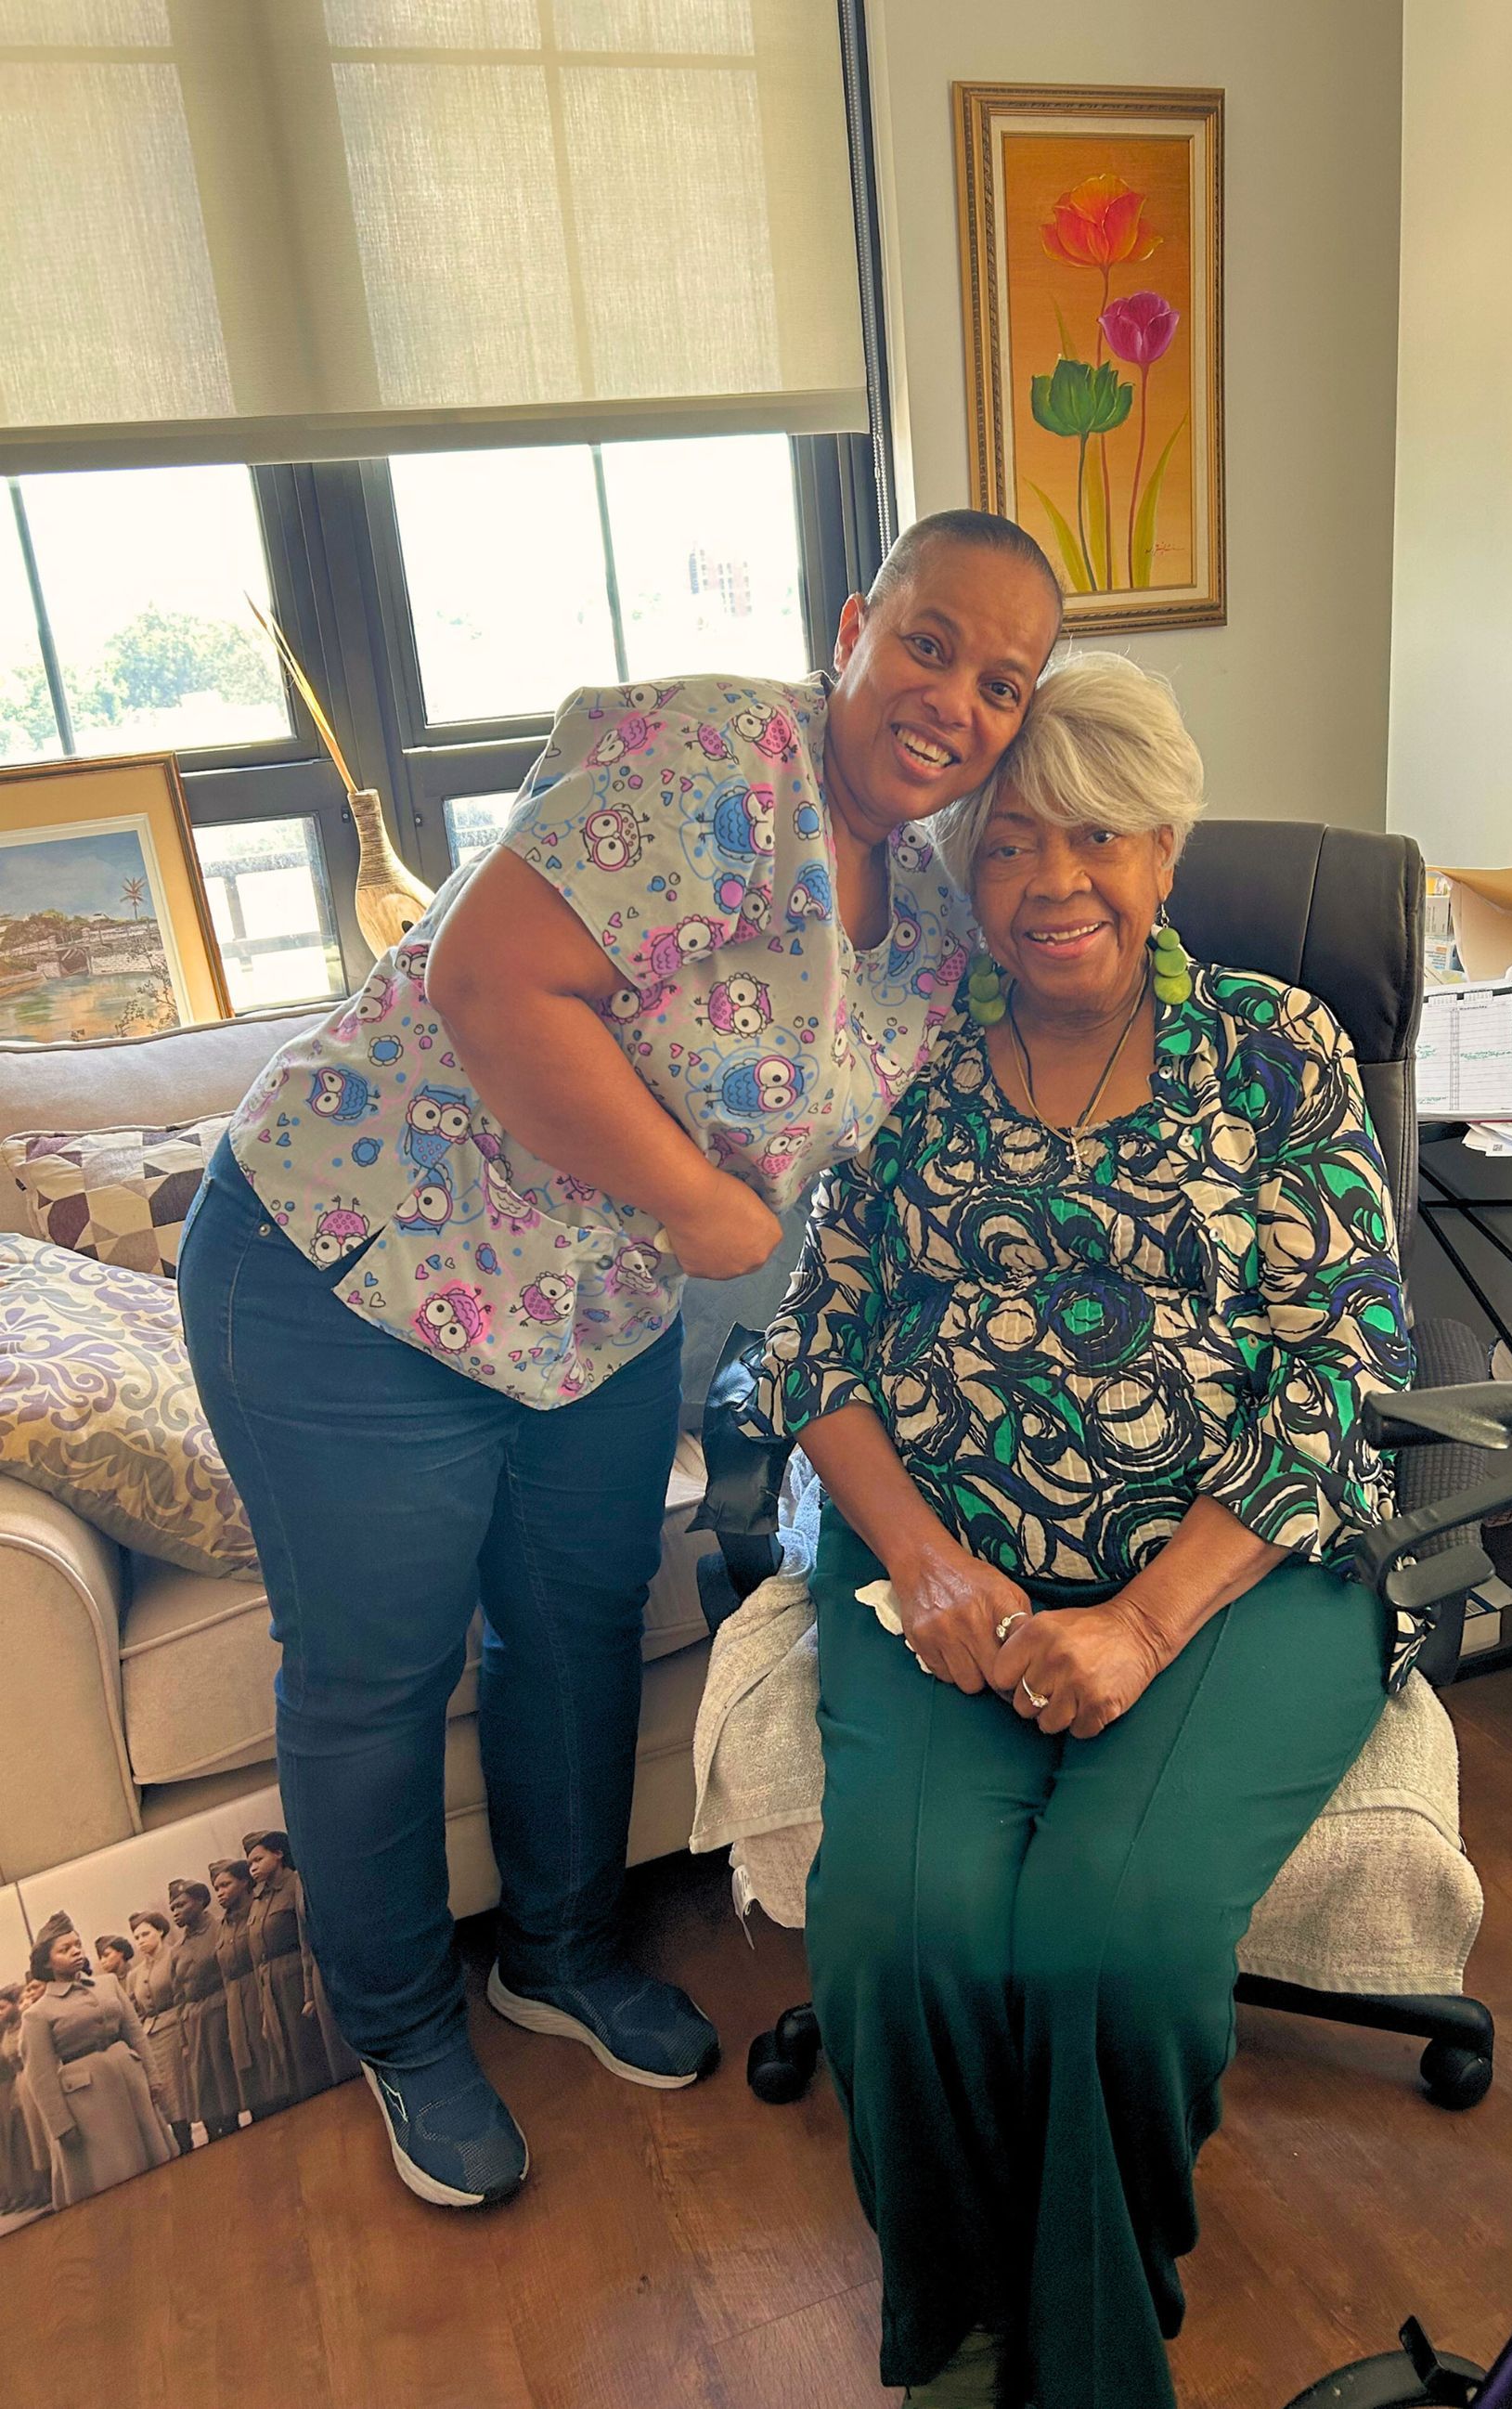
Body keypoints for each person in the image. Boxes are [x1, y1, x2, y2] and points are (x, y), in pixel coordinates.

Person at [176, 507, 1063, 2208]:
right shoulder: (719, 759)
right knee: (371, 1677)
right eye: (932, 642)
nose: (955, 699)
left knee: (578, 1625)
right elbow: (488, 977)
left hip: (583, 1319)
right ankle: (406, 2026)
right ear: (855, 625)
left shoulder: (938, 935)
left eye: (1003, 682)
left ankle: (561, 1952)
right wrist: (702, 1210)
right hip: (346, 1263)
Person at [741, 654, 1418, 2409]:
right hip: (940, 1581)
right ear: (968, 873)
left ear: (1168, 847)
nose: (1057, 884)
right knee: (900, 1932)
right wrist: (920, 1559)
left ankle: (1094, 2367)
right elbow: (811, 1341)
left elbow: (1343, 1360)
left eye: (1100, 837)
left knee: (1109, 1943)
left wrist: (1143, 1622)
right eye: (1015, 844)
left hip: (1235, 1579)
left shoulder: (1278, 1049)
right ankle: (964, 2341)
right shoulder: (906, 1061)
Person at [18, 1913, 174, 2209]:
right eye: (65, 1949)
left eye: (77, 1944)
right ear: (47, 1963)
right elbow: (41, 2077)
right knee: (113, 2176)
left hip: (131, 2086)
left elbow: (136, 2035)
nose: (76, 1951)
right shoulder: (37, 2014)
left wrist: (153, 2078)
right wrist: (60, 2124)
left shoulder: (107, 1985)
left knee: (154, 2168)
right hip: (88, 2107)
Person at [241, 1832, 348, 2099]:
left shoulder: (296, 1885)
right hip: (272, 1989)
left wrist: (308, 1994)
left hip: (296, 1981)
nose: (252, 1867)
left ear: (278, 1854)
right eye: (249, 1863)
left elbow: (305, 1942)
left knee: (311, 2055)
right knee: (289, 2061)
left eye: (258, 1859)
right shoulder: (259, 1900)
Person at [210, 1859, 290, 2118]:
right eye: (216, 1888)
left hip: (259, 1993)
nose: (220, 1893)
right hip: (236, 2005)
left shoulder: (257, 1912)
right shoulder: (223, 1926)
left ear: (244, 1882)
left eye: (225, 1885)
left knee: (272, 2062)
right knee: (250, 2071)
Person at [165, 1882, 243, 2142]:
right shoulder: (177, 1951)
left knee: (229, 2083)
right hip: (194, 2022)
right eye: (172, 1907)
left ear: (200, 1901)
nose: (175, 1912)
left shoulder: (222, 1928)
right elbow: (178, 1997)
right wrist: (184, 2039)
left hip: (221, 2013)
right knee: (206, 2089)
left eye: (181, 1905)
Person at [124, 1910, 193, 2154]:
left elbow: (185, 1994)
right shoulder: (134, 1975)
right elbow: (135, 2011)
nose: (141, 1940)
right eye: (137, 1937)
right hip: (152, 2039)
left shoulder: (176, 1954)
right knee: (167, 2097)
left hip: (177, 2029)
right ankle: (182, 2144)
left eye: (146, 1934)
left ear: (161, 1931)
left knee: (187, 2090)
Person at [0, 1983, 50, 2215]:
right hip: (16, 2085)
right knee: (22, 2141)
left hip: (30, 2079)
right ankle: (26, 2191)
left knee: (35, 2137)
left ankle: (42, 2188)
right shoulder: (7, 2031)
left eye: (2, 2007)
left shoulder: (26, 2023)